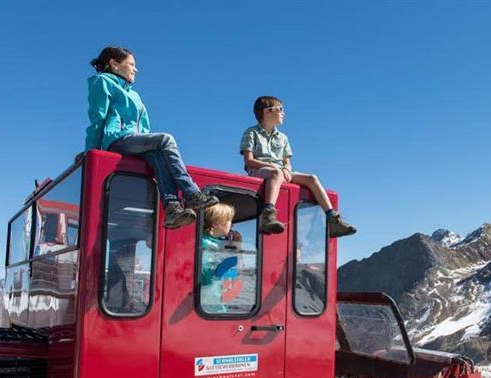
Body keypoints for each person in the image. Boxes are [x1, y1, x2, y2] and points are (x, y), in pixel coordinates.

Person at [84, 46, 219, 229]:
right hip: (117, 140)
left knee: (158, 156)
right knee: (166, 139)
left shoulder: (134, 94)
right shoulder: (102, 82)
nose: (135, 69)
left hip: (135, 141)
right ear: (114, 64)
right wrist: (91, 152)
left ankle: (172, 207)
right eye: (131, 64)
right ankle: (191, 192)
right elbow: (97, 119)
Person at [240, 96, 357, 237]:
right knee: (276, 173)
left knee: (312, 178)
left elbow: (287, 161)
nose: (283, 113)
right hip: (259, 170)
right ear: (267, 111)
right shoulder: (251, 133)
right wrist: (274, 167)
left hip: (281, 171)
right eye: (280, 109)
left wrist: (286, 169)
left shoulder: (282, 137)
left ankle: (332, 219)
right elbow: (249, 160)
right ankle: (268, 214)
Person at [200, 203, 237, 313]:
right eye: (229, 220)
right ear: (216, 223)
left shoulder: (215, 244)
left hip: (214, 297)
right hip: (207, 301)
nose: (231, 224)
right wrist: (218, 272)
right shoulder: (205, 244)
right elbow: (203, 274)